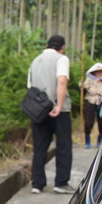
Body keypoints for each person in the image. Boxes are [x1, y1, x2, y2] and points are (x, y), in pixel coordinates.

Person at [28, 35, 73, 194]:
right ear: (62, 47)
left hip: (38, 109)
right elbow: (62, 81)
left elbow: (30, 86)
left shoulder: (35, 61)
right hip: (58, 109)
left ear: (47, 45)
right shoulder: (61, 59)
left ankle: (37, 184)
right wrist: (59, 105)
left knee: (39, 147)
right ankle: (61, 183)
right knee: (64, 145)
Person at [81, 62, 102, 148]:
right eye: (97, 72)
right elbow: (83, 92)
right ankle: (87, 141)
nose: (99, 74)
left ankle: (99, 141)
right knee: (88, 122)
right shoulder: (88, 82)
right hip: (90, 101)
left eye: (100, 72)